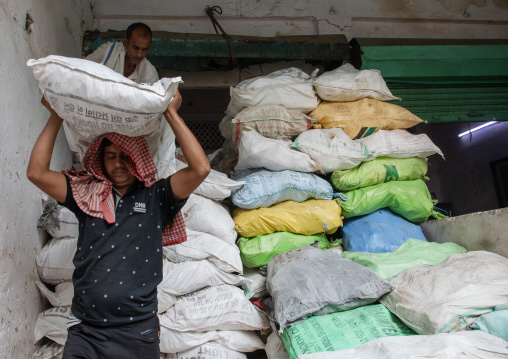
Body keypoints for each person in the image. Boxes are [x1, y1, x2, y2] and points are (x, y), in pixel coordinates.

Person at [27, 90, 210, 359]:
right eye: (110, 156)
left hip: (137, 332)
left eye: (124, 155)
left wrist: (170, 112)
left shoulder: (156, 197)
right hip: (85, 330)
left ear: (136, 158)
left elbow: (201, 169)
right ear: (101, 161)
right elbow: (37, 173)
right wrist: (56, 115)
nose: (118, 163)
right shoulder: (85, 195)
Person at [85, 22, 158, 84]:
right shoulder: (107, 52)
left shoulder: (149, 74)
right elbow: (81, 70)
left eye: (144, 50)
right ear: (125, 43)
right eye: (136, 48)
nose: (139, 54)